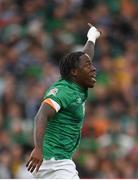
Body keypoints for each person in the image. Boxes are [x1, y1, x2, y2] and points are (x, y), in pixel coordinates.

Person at [26, 23, 100, 179]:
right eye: (88, 66)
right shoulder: (64, 91)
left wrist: (92, 36)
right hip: (54, 163)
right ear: (75, 72)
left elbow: (86, 56)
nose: (93, 68)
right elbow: (41, 114)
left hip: (59, 161)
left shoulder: (75, 82)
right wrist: (38, 149)